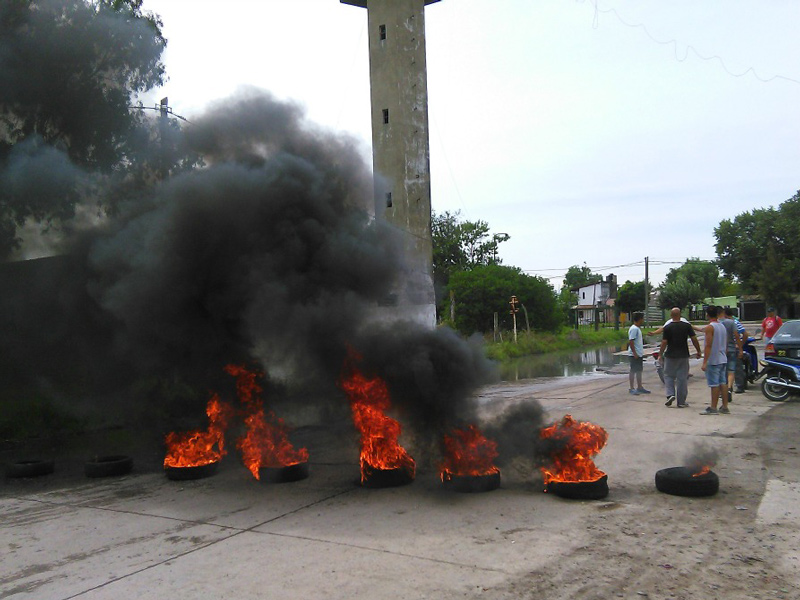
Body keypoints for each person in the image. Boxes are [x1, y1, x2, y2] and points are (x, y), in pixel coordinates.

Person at [659, 307, 702, 408]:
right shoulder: (686, 326)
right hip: (683, 355)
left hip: (670, 355)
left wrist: (660, 353)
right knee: (682, 378)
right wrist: (698, 351)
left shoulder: (668, 327)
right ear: (680, 315)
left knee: (668, 375)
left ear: (671, 316)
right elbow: (694, 339)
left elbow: (664, 342)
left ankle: (670, 394)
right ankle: (681, 402)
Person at [700, 305, 729, 415]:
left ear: (707, 315)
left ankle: (713, 407)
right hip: (722, 358)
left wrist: (705, 362)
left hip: (714, 359)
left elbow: (708, 345)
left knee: (714, 384)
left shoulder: (710, 327)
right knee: (723, 383)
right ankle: (725, 406)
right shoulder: (722, 326)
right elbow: (725, 343)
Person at [718, 306, 743, 405]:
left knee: (722, 371)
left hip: (721, 350)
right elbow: (737, 336)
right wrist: (740, 348)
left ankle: (722, 392)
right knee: (731, 371)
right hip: (732, 349)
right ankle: (729, 388)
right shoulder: (731, 322)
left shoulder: (716, 324)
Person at [724, 307, 746, 394]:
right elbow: (744, 334)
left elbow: (743, 335)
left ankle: (734, 387)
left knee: (732, 369)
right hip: (734, 348)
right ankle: (735, 386)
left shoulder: (731, 323)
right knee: (735, 369)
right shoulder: (736, 322)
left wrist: (739, 345)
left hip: (731, 348)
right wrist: (741, 344)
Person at [628, 312, 650, 395]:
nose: (643, 320)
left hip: (638, 354)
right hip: (634, 355)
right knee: (633, 370)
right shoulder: (634, 329)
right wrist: (634, 353)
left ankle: (640, 387)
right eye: (642, 318)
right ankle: (631, 388)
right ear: (640, 319)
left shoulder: (637, 329)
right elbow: (631, 341)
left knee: (639, 370)